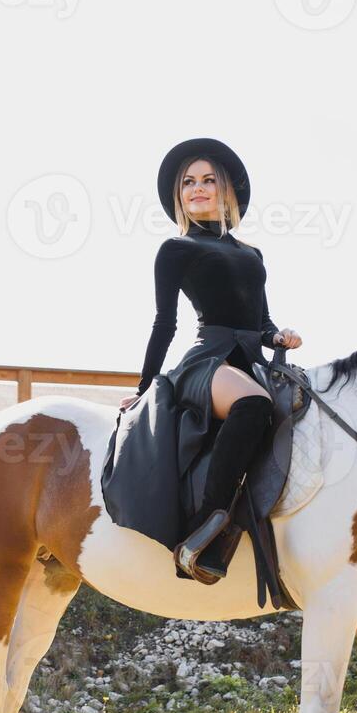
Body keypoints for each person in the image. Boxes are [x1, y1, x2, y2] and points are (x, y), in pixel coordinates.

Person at [118, 137, 303, 584]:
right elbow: (165, 323)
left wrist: (277, 334)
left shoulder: (252, 254)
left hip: (251, 358)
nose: (196, 188)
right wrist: (144, 390)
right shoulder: (176, 250)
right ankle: (204, 530)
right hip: (207, 362)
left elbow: (260, 319)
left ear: (226, 191)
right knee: (253, 405)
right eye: (188, 183)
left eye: (207, 180)